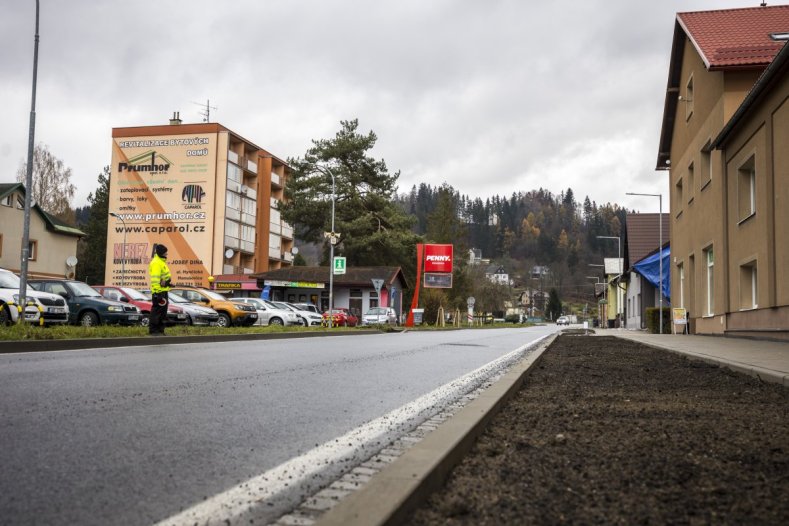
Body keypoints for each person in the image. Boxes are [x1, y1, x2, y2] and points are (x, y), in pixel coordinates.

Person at [148, 243, 172, 335]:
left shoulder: (161, 262)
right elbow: (155, 279)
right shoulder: (156, 263)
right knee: (156, 312)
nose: (167, 254)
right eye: (165, 252)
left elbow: (162, 277)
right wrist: (158, 292)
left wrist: (167, 283)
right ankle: (154, 331)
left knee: (162, 312)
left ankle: (160, 331)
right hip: (158, 292)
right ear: (161, 253)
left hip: (163, 291)